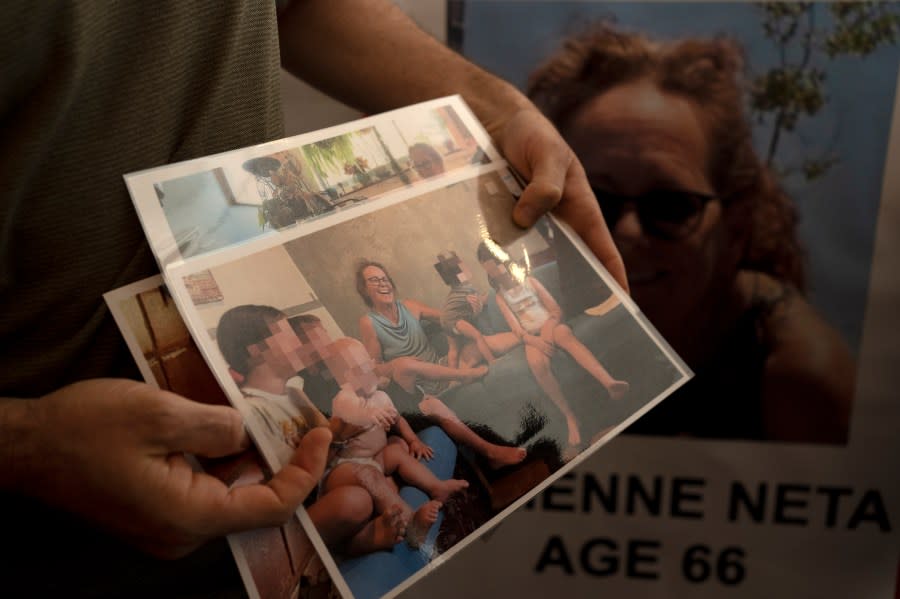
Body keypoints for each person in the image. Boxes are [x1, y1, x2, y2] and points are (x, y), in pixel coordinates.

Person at [1, 2, 625, 594]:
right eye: (298, 337)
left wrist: (495, 110)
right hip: (63, 539)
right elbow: (358, 403)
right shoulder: (335, 381)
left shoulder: (299, 388)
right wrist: (25, 443)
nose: (311, 343)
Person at [527, 24, 854, 442]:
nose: (626, 232)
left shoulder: (799, 382)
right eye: (595, 199)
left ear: (735, 226)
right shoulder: (549, 307)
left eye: (671, 206)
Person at [216, 304, 413, 557]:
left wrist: (343, 434)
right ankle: (378, 535)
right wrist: (339, 436)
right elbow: (292, 484)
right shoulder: (254, 410)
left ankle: (370, 534)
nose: (298, 343)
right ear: (255, 352)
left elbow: (331, 439)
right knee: (354, 501)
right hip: (300, 504)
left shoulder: (295, 394)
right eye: (286, 335)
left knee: (379, 470)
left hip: (326, 478)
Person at [293, 314, 527, 469]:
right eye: (317, 334)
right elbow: (337, 426)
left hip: (385, 399)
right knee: (418, 386)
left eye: (323, 330)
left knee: (403, 367)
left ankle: (459, 383)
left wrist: (380, 375)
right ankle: (486, 445)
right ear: (303, 344)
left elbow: (374, 372)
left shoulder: (338, 356)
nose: (325, 336)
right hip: (376, 419)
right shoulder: (311, 387)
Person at [477, 239, 629, 453]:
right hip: (531, 337)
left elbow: (555, 310)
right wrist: (535, 340)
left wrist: (549, 327)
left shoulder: (529, 281)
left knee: (565, 335)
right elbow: (517, 330)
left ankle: (609, 382)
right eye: (492, 272)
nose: (499, 275)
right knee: (537, 363)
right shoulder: (501, 297)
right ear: (489, 274)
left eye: (499, 267)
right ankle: (570, 416)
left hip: (551, 325)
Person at [318, 336, 469, 549]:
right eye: (361, 367)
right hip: (344, 467)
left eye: (369, 363)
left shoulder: (380, 396)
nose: (370, 369)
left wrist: (414, 440)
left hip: (374, 459)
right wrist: (370, 413)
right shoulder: (345, 397)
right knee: (368, 474)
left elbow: (399, 420)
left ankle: (438, 487)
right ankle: (412, 524)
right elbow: (351, 414)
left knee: (396, 454)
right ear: (345, 378)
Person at [357, 259, 488, 396]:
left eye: (385, 279)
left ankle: (455, 382)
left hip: (442, 369)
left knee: (480, 344)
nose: (382, 283)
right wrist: (395, 363)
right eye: (374, 280)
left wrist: (475, 307)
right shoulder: (368, 322)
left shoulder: (409, 305)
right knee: (404, 365)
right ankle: (463, 376)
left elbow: (448, 319)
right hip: (418, 386)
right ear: (364, 290)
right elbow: (376, 369)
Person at [433, 250, 521, 366]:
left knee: (453, 350)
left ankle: (453, 374)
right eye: (465, 267)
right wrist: (483, 300)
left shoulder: (456, 291)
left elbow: (475, 302)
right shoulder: (468, 289)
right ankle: (492, 361)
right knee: (478, 337)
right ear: (460, 274)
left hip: (444, 318)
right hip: (454, 319)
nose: (468, 269)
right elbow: (478, 302)